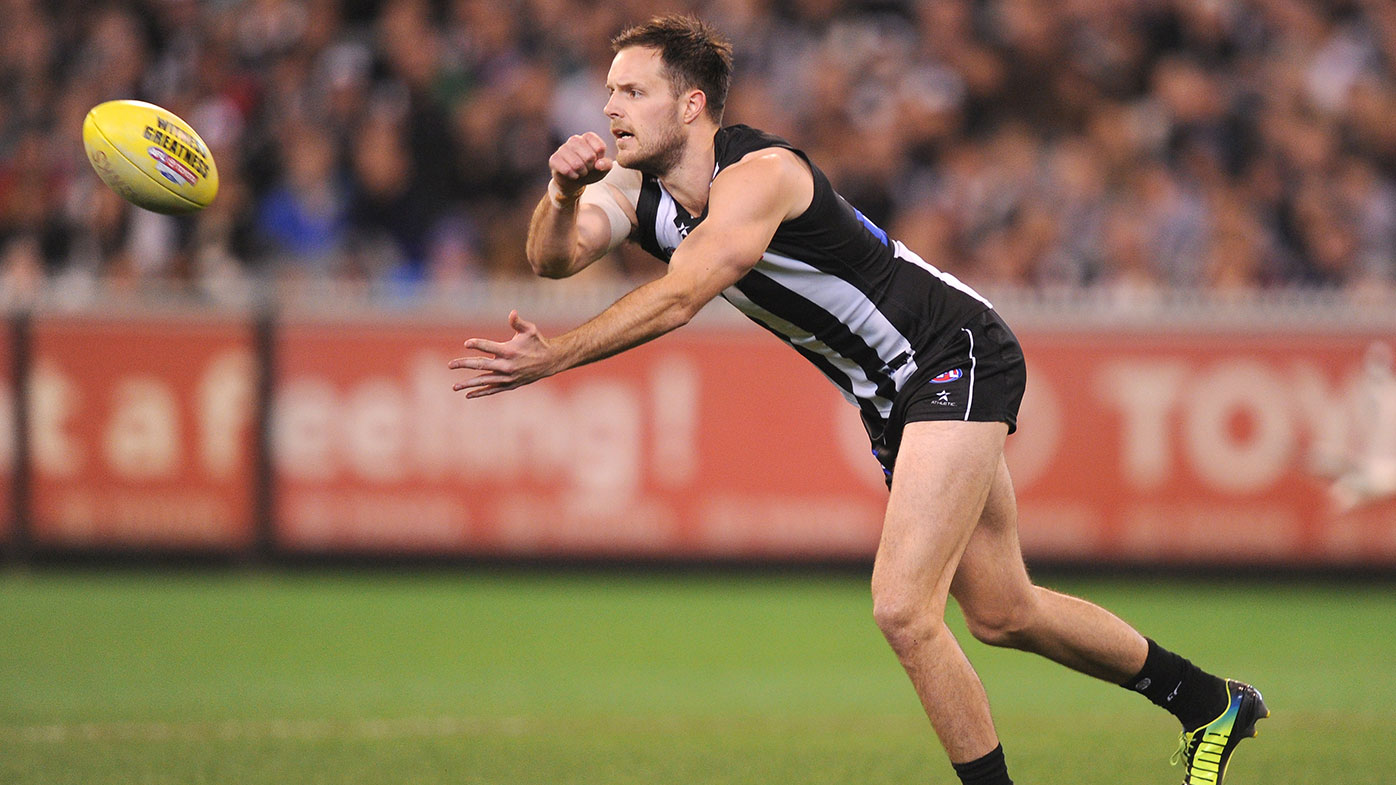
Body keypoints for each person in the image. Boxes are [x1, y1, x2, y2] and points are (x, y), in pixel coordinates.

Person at [449, 15, 1267, 785]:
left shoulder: (761, 173)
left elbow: (680, 296)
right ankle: (1210, 702)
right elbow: (554, 259)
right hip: (895, 398)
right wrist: (562, 193)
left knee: (903, 610)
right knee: (1003, 611)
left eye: (633, 91)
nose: (610, 107)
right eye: (610, 90)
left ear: (691, 105)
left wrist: (553, 358)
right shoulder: (637, 190)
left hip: (951, 351)